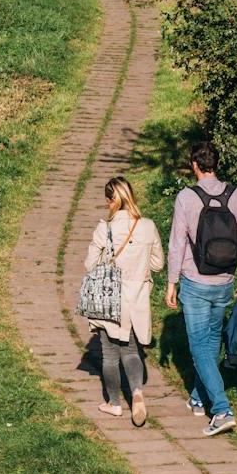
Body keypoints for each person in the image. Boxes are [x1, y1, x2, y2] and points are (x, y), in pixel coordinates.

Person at [167, 141, 237, 438]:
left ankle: (221, 409)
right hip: (225, 281)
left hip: (195, 283)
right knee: (210, 343)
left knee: (198, 347)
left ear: (194, 164)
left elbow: (178, 242)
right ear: (216, 164)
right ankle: (197, 398)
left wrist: (171, 281)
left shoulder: (187, 197)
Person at [86, 177, 165, 427]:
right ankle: (138, 393)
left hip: (109, 298)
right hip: (136, 299)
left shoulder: (104, 228)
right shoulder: (148, 226)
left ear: (110, 200)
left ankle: (115, 403)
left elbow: (89, 265)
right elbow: (157, 264)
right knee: (131, 350)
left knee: (109, 354)